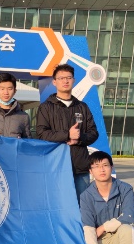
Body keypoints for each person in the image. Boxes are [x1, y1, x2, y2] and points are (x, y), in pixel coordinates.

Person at [36, 64, 99, 204]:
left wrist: (79, 138)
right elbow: (41, 134)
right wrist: (67, 135)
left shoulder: (82, 107)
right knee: (58, 204)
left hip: (80, 167)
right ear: (54, 82)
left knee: (82, 205)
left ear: (73, 80)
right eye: (61, 78)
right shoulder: (46, 107)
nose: (65, 81)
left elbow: (94, 133)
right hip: (55, 166)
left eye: (69, 78)